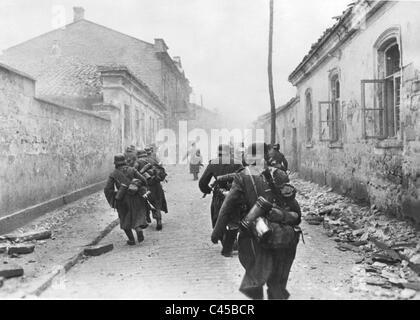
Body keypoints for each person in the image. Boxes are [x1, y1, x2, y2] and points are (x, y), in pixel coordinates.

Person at [211, 143, 302, 300]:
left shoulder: (242, 177)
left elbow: (227, 207)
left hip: (255, 236)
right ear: (266, 156)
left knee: (255, 282)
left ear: (248, 157)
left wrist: (217, 232)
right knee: (277, 285)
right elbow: (296, 212)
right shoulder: (280, 174)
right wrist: (283, 216)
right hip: (284, 238)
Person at [199, 144, 243, 257]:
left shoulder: (213, 163)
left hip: (219, 196)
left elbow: (203, 182)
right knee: (235, 217)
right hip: (235, 194)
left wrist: (208, 190)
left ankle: (226, 242)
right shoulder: (237, 163)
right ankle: (233, 241)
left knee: (218, 217)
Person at [104, 154, 149, 245]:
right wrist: (139, 186)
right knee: (136, 215)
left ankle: (131, 240)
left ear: (115, 163)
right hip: (136, 197)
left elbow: (107, 189)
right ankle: (138, 229)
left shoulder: (113, 174)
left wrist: (114, 197)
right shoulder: (132, 170)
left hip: (123, 199)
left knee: (124, 218)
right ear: (124, 161)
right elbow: (144, 180)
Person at [135, 149, 168, 231]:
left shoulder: (137, 162)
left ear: (138, 155)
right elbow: (161, 169)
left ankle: (147, 218)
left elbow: (134, 174)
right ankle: (159, 220)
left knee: (145, 202)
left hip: (146, 187)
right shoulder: (151, 160)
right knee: (157, 203)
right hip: (157, 185)